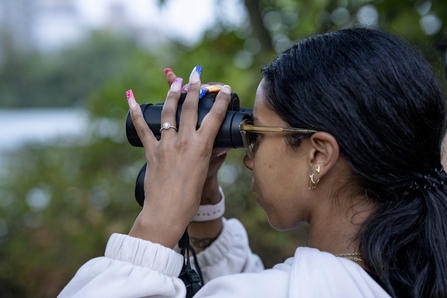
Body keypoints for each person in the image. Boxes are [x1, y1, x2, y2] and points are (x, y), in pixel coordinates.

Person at [58, 27, 447, 297]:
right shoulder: (411, 271)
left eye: (256, 136)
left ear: (317, 155)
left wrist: (159, 217)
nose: (247, 159)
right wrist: (204, 201)